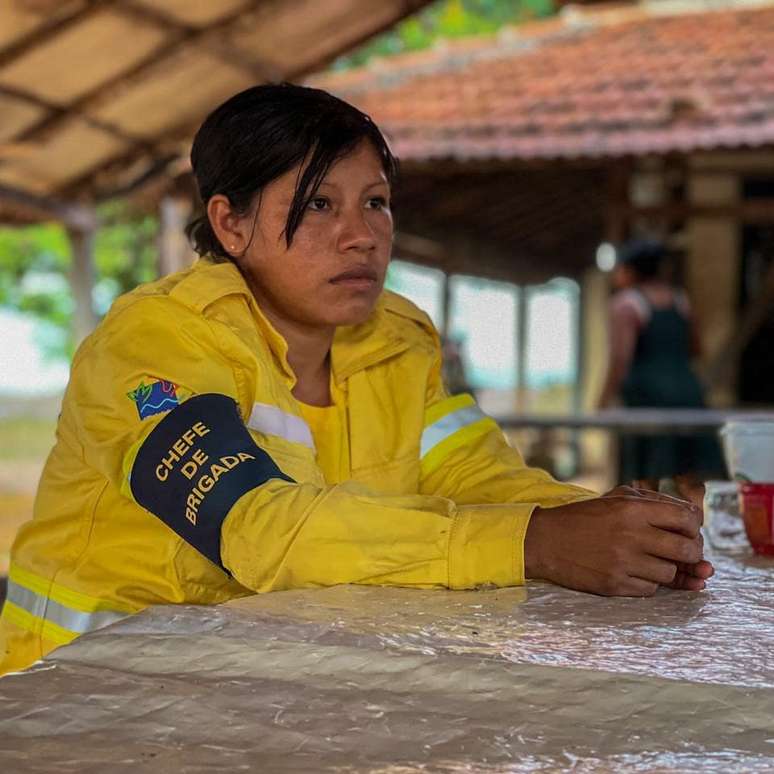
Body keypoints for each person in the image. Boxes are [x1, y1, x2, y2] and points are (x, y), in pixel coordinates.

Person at [0, 85, 711, 676]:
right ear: (230, 224)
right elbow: (258, 529)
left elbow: (475, 476)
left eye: (375, 201)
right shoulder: (157, 343)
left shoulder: (398, 342)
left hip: (256, 682)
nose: (361, 235)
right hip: (83, 689)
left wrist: (619, 528)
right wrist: (534, 541)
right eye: (318, 204)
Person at [598, 238, 725, 497]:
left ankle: (651, 535)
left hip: (648, 396)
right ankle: (700, 533)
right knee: (690, 478)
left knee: (645, 479)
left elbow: (620, 357)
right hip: (687, 391)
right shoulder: (680, 300)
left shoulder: (626, 303)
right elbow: (698, 349)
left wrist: (602, 400)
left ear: (631, 270)